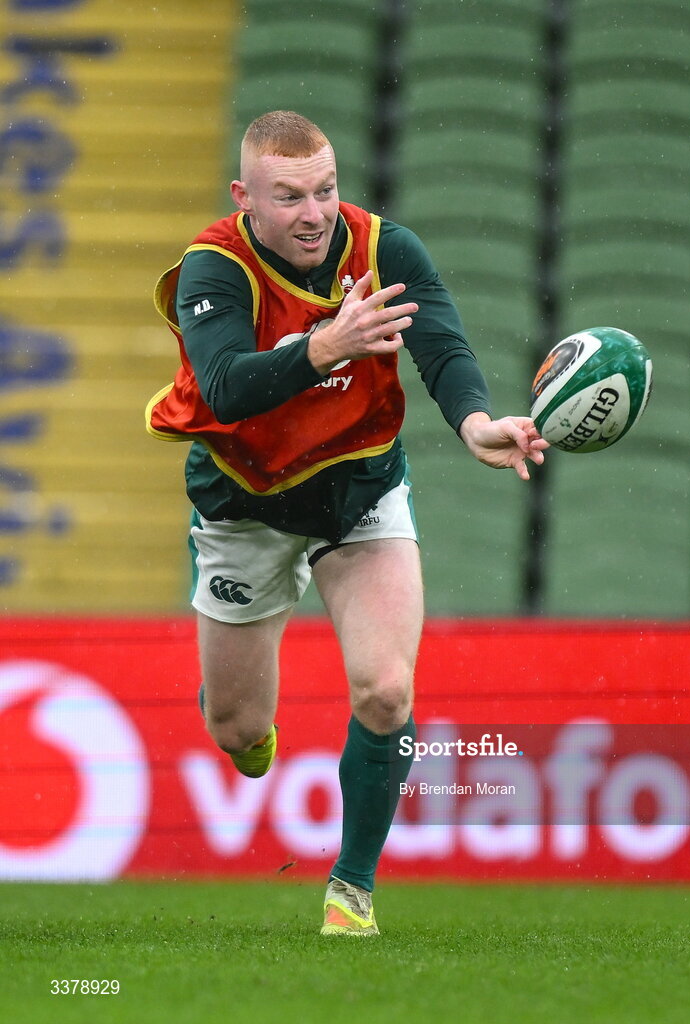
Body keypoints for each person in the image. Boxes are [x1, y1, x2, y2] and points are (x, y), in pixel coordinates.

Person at [146, 110, 547, 936]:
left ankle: (351, 890)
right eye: (288, 196)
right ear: (244, 196)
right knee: (237, 727)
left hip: (359, 495)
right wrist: (327, 346)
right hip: (244, 507)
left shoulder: (384, 249)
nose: (313, 212)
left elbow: (440, 343)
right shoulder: (212, 267)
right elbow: (224, 386)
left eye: (325, 190)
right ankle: (245, 731)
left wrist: (475, 423)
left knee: (387, 689)